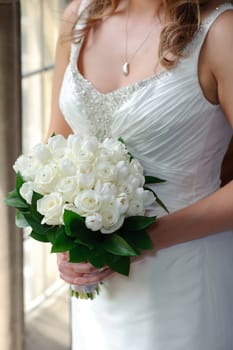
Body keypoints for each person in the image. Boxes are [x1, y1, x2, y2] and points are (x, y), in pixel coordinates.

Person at [46, 0, 233, 349]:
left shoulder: (221, 33)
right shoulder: (78, 17)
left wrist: (140, 241)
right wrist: (64, 239)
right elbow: (56, 147)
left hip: (184, 279)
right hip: (99, 295)